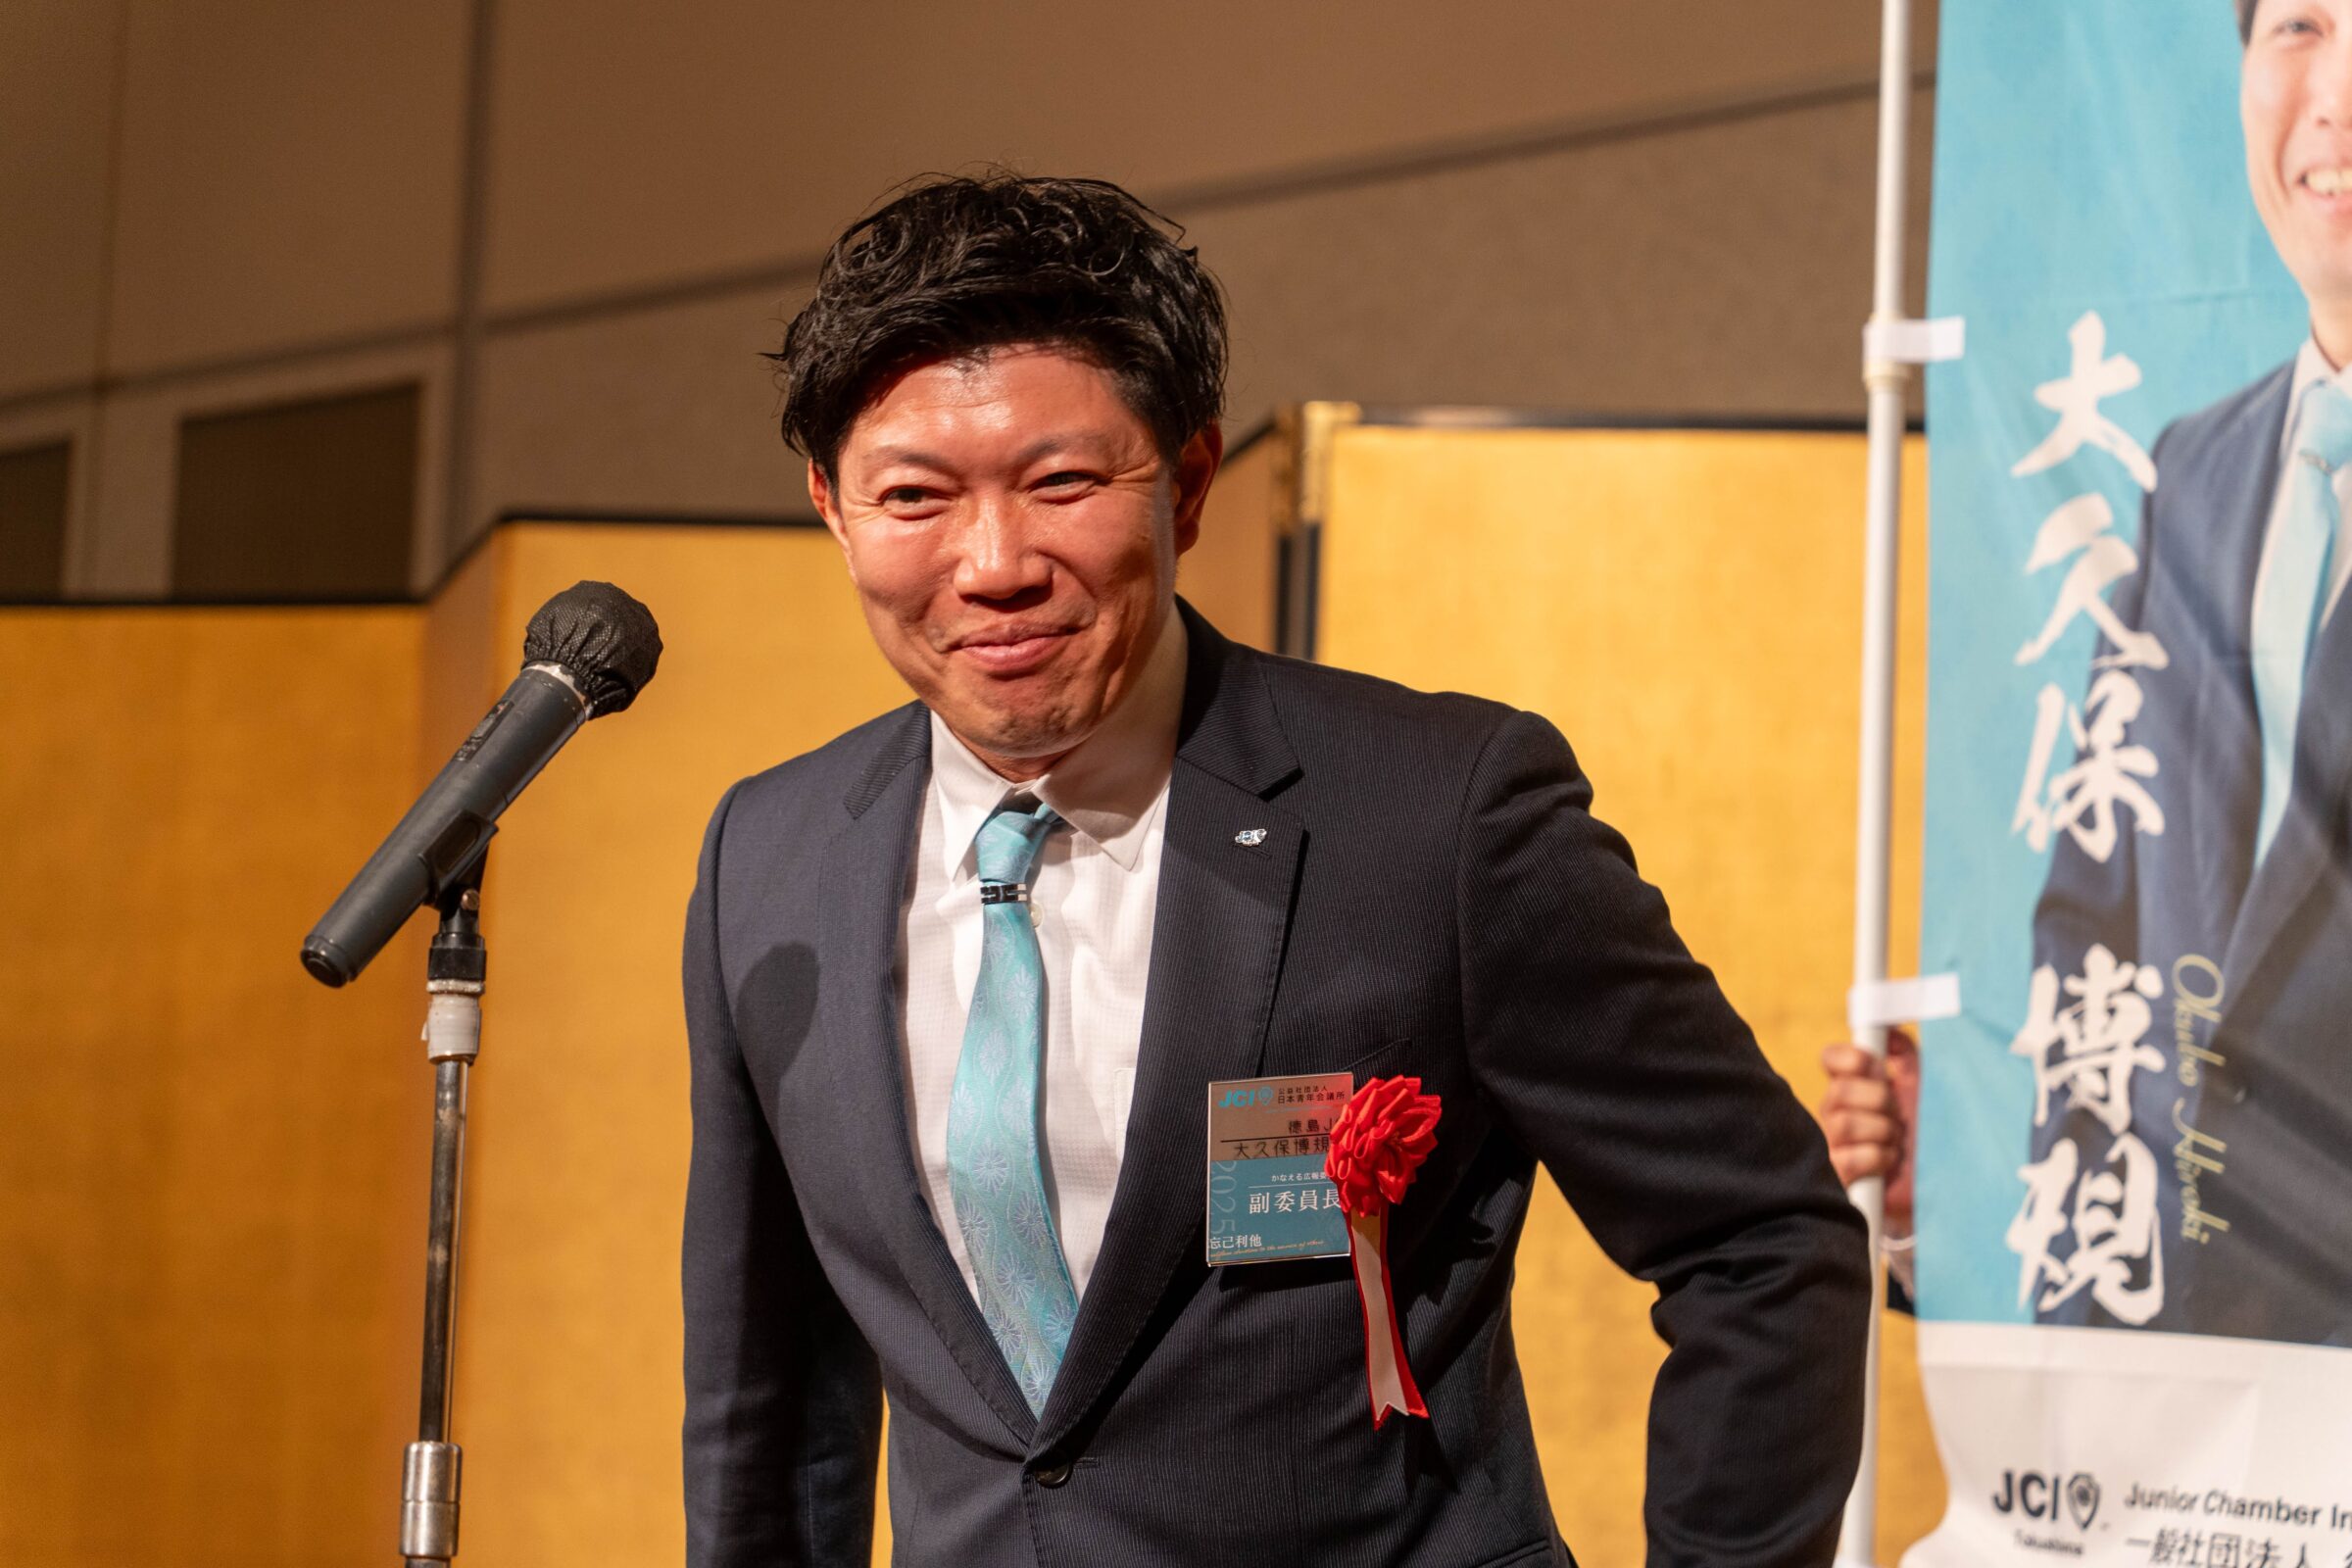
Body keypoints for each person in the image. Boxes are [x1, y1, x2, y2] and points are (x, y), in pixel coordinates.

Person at [684, 172, 1870, 1568]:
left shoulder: (1437, 816)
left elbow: (1761, 1246)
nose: (993, 563)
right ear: (831, 508)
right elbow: (770, 1400)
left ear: (1189, 480)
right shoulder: (770, 859)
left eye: (1062, 483)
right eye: (913, 497)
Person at [1821, 0, 2352, 1347]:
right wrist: (1954, 1179)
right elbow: (2100, 935)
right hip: (2183, 1418)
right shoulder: (2198, 472)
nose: (2337, 98)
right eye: (2299, 26)